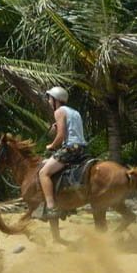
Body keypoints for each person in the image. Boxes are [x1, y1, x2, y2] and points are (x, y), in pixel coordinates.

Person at [38, 86, 88, 220]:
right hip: (81, 148)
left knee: (43, 173)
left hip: (70, 148)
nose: (48, 101)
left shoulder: (59, 111)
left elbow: (60, 136)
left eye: (49, 98)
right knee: (49, 165)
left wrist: (51, 145)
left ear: (56, 100)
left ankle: (51, 206)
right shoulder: (74, 112)